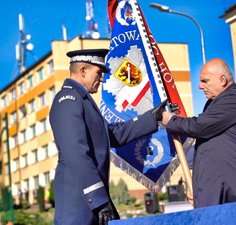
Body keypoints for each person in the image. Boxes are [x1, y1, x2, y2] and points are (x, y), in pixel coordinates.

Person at [49, 49, 167, 225]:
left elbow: (111, 134)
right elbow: (76, 153)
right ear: (83, 71)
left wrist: (153, 117)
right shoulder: (68, 100)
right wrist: (98, 199)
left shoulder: (82, 101)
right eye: (98, 72)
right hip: (79, 204)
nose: (102, 78)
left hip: (90, 201)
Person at [162, 58, 236, 208]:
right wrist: (199, 190)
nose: (200, 86)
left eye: (205, 81)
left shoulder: (234, 98)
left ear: (222, 80)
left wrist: (171, 120)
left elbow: (199, 127)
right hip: (221, 197)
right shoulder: (215, 103)